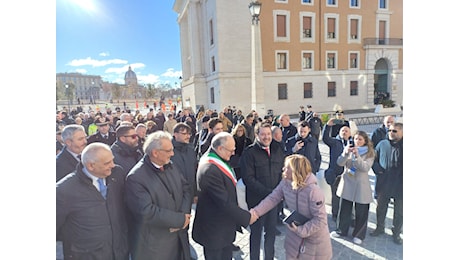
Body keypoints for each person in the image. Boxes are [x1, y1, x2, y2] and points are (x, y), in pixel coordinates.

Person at [125, 131, 193, 259]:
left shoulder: (169, 165)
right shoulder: (136, 177)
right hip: (157, 247)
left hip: (178, 239)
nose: (172, 154)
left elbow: (185, 188)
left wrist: (184, 216)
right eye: (168, 151)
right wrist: (179, 220)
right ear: (155, 153)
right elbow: (146, 212)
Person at [251, 154, 333, 260]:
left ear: (295, 170)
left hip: (313, 242)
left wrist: (301, 230)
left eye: (286, 167)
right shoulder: (285, 182)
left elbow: (321, 220)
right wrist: (255, 212)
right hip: (294, 236)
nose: (283, 169)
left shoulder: (314, 191)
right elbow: (272, 198)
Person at [56, 143, 129, 260]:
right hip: (86, 255)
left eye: (112, 160)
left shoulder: (117, 174)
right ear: (90, 165)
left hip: (119, 251)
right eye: (107, 163)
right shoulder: (64, 190)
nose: (112, 165)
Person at [192, 132, 258, 260]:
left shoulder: (216, 158)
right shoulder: (210, 169)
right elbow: (224, 202)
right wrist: (247, 217)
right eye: (231, 150)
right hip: (214, 231)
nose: (233, 153)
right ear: (220, 148)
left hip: (223, 229)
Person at [240, 122, 284, 260]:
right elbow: (248, 178)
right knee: (256, 234)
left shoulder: (278, 149)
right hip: (256, 202)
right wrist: (270, 194)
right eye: (263, 134)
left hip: (273, 201)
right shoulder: (249, 152)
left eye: (268, 134)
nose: (266, 137)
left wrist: (278, 193)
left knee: (271, 233)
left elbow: (283, 172)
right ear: (257, 135)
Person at [330, 131, 375, 245]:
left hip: (361, 185)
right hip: (347, 183)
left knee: (361, 211)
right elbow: (339, 163)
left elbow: (365, 167)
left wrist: (357, 156)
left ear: (365, 141)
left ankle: (359, 234)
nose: (357, 141)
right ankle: (341, 230)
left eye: (360, 139)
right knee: (344, 209)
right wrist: (345, 154)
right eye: (355, 139)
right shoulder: (348, 149)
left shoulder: (370, 153)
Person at [370, 123, 403, 245]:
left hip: (400, 184)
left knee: (399, 211)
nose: (391, 133)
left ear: (402, 132)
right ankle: (380, 227)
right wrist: (377, 168)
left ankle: (396, 232)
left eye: (394, 131)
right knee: (381, 207)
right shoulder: (382, 144)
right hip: (384, 182)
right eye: (389, 130)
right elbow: (374, 158)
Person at [322, 119, 353, 222]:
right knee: (335, 196)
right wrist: (328, 126)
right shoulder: (335, 142)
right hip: (336, 174)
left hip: (349, 175)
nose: (344, 132)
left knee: (348, 196)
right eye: (342, 131)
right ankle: (335, 215)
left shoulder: (352, 143)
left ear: (350, 133)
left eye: (346, 131)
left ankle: (348, 215)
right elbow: (325, 138)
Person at [171, 123, 199, 204]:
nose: (188, 136)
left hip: (189, 193)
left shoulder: (190, 149)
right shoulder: (169, 150)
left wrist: (195, 193)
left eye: (189, 133)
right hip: (174, 195)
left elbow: (194, 172)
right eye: (184, 134)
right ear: (175, 134)